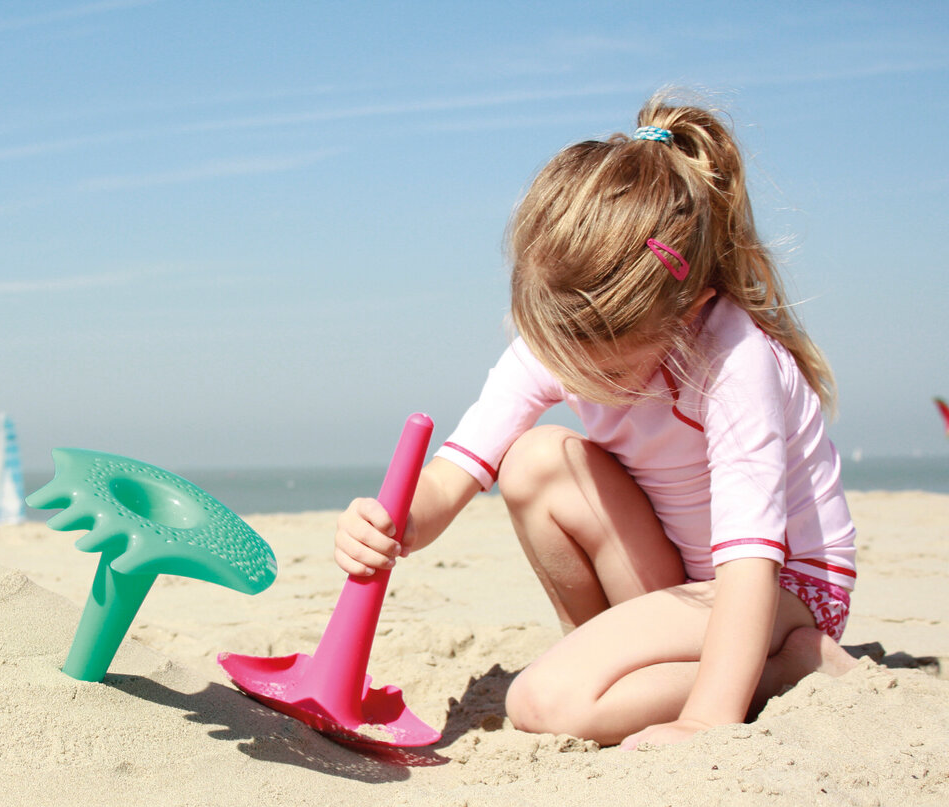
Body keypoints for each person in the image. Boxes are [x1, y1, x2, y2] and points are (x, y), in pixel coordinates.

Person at [334, 93, 858, 750]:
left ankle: (784, 669)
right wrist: (395, 523)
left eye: (605, 370)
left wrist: (707, 719)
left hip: (781, 592)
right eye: (559, 355)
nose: (575, 377)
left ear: (686, 311)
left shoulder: (731, 360)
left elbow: (751, 561)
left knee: (541, 700)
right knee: (531, 461)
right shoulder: (565, 334)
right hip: (684, 577)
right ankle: (606, 664)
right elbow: (458, 470)